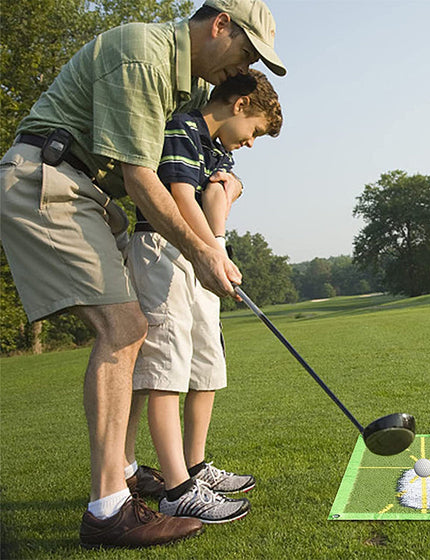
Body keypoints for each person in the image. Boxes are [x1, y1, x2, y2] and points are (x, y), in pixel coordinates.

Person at [0, 0, 286, 550]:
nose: (244, 68)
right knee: (124, 328)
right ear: (219, 25)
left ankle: (127, 471)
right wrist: (204, 250)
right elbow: (139, 176)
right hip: (48, 179)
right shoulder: (143, 56)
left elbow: (218, 130)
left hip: (86, 193)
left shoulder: (194, 84)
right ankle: (108, 509)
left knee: (136, 332)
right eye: (247, 52)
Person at [124, 69, 283, 524]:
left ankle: (195, 466)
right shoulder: (183, 128)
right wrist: (215, 251)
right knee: (167, 366)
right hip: (161, 248)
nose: (251, 143)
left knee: (206, 362)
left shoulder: (216, 148)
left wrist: (224, 201)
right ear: (240, 105)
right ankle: (177, 488)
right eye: (254, 131)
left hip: (200, 253)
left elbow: (217, 197)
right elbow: (180, 197)